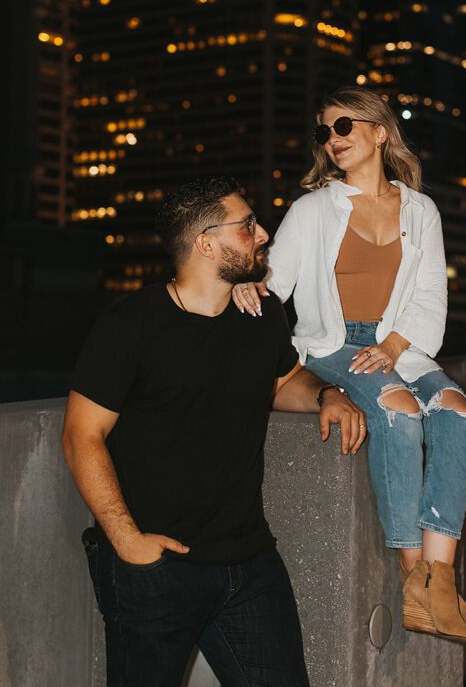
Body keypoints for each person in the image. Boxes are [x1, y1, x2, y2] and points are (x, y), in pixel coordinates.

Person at [62, 175, 367, 687]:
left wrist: (325, 395)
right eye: (246, 226)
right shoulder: (130, 326)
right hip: (156, 565)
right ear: (205, 243)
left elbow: (282, 379)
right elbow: (81, 436)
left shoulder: (260, 312)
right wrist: (128, 541)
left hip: (249, 562)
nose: (263, 233)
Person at [233, 87, 466, 646]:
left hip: (399, 342)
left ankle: (437, 581)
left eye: (344, 125)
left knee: (457, 413)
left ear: (379, 131)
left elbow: (429, 296)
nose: (333, 139)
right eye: (324, 131)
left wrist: (394, 348)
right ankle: (411, 577)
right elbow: (276, 281)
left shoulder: (421, 210)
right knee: (397, 411)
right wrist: (255, 282)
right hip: (333, 343)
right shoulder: (313, 208)